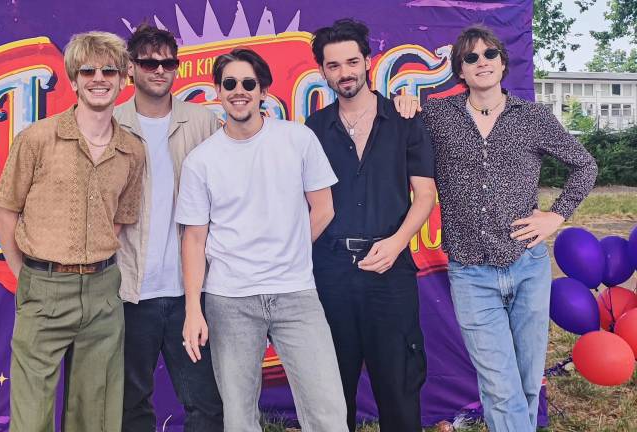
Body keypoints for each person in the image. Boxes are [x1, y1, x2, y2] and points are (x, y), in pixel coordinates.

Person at [420, 24, 597, 432]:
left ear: (502, 64)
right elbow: (391, 128)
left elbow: (585, 166)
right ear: (460, 70)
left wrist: (556, 215)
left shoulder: (533, 117)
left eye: (490, 55)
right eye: (471, 57)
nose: (482, 62)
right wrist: (404, 102)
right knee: (500, 387)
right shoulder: (437, 117)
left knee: (526, 383)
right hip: (471, 273)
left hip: (528, 266)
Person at [177, 47, 349, 432]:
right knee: (238, 418)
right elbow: (193, 239)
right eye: (230, 83)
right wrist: (192, 309)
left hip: (295, 293)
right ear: (217, 91)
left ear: (263, 91)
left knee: (327, 412)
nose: (239, 91)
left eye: (248, 83)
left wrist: (290, 249)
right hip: (229, 300)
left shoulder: (297, 139)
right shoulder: (201, 161)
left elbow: (323, 208)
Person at [0, 31, 145, 431]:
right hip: (43, 288)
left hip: (103, 293)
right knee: (31, 418)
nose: (99, 79)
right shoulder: (38, 138)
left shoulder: (132, 150)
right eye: (88, 71)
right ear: (74, 80)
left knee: (96, 415)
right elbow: (5, 213)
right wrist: (24, 276)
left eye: (109, 71)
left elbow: (118, 219)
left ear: (123, 79)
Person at [305, 18, 437, 432]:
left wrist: (397, 243)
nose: (344, 72)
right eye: (333, 65)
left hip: (390, 270)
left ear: (367, 62)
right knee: (331, 389)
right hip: (330, 272)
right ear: (322, 71)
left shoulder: (404, 118)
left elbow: (425, 194)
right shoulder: (313, 130)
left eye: (351, 62)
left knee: (399, 386)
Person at [113, 24, 223, 432]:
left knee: (207, 404)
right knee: (130, 404)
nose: (160, 70)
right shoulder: (111, 123)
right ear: (131, 68)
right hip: (129, 290)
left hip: (189, 293)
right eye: (148, 63)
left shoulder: (203, 122)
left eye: (168, 62)